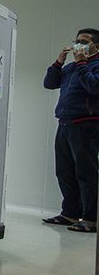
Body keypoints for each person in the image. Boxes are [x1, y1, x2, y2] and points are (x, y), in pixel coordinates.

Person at [42, 28, 99, 233]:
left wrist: (83, 62)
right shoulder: (72, 67)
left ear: (96, 46)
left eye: (84, 41)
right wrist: (59, 62)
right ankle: (69, 213)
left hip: (87, 125)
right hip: (65, 123)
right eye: (76, 41)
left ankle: (90, 219)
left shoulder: (93, 65)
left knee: (86, 173)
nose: (78, 45)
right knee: (64, 172)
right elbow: (49, 83)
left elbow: (94, 87)